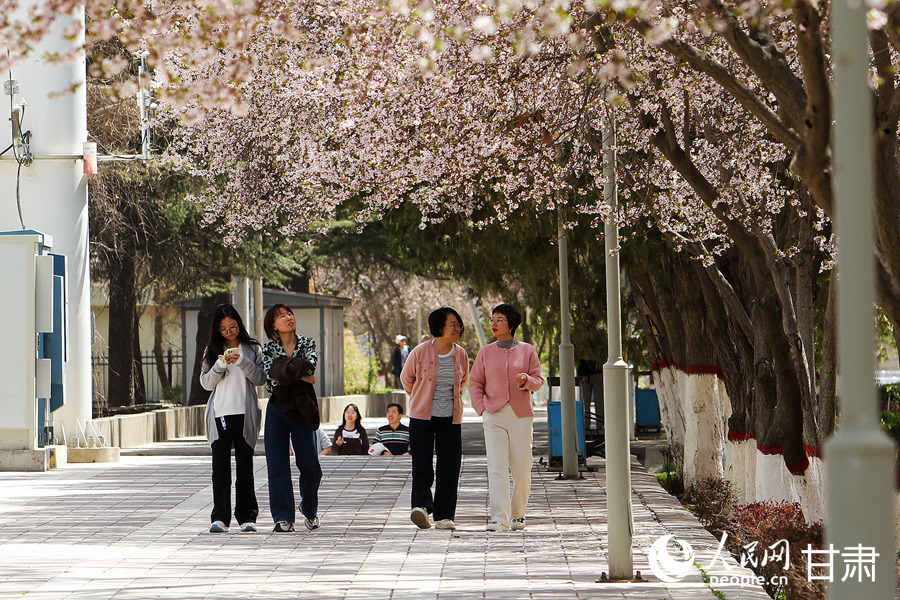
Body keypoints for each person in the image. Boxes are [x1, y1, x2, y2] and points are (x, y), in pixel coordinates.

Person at [470, 303, 544, 532]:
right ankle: (499, 518)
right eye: (492, 319)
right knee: (496, 466)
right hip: (494, 415)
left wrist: (526, 381)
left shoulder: (528, 351)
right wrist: (482, 408)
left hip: (521, 415)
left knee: (522, 469)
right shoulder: (485, 352)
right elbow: (475, 383)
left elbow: (539, 381)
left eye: (499, 319)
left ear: (511, 324)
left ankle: (518, 514)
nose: (493, 323)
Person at [401, 307, 469, 530]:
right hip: (422, 417)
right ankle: (421, 507)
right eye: (453, 324)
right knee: (422, 464)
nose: (457, 328)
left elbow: (462, 381)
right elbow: (407, 379)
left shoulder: (461, 354)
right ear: (440, 327)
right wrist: (421, 398)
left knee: (450, 466)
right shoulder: (420, 352)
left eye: (459, 325)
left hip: (451, 418)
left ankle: (444, 515)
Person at [200, 304, 266, 534]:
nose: (229, 331)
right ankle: (220, 518)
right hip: (220, 416)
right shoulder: (212, 350)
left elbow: (260, 379)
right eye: (224, 328)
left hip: (245, 415)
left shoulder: (252, 347)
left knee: (245, 467)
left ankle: (247, 517)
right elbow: (206, 383)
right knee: (220, 469)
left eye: (233, 326)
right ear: (217, 330)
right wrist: (220, 364)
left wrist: (240, 361)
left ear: (239, 324)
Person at [261, 303, 322, 533]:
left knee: (310, 465)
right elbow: (272, 377)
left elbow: (310, 365)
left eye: (289, 314)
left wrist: (287, 371)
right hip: (277, 407)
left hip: (302, 407)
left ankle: (310, 509)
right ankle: (283, 517)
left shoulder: (307, 343)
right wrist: (299, 376)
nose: (288, 318)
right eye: (281, 316)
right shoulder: (268, 349)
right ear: (273, 326)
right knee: (277, 465)